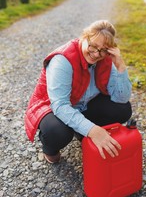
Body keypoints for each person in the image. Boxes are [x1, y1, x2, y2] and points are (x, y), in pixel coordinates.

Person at [24, 20, 132, 163]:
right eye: (93, 46)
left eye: (103, 50)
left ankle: (80, 129)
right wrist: (93, 130)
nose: (96, 54)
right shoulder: (62, 60)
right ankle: (49, 148)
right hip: (53, 107)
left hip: (83, 105)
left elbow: (121, 98)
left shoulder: (105, 59)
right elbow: (60, 105)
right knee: (58, 132)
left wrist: (120, 66)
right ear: (84, 37)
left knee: (123, 109)